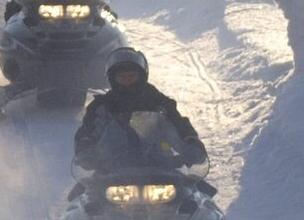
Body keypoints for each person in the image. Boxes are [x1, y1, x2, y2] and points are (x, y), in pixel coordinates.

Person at [73, 47, 206, 168]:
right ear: (112, 78)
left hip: (160, 164)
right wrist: (85, 145)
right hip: (112, 166)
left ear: (141, 76)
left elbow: (179, 123)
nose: (127, 80)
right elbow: (88, 128)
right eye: (122, 77)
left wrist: (190, 141)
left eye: (131, 76)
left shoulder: (159, 101)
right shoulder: (101, 106)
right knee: (85, 187)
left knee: (193, 186)